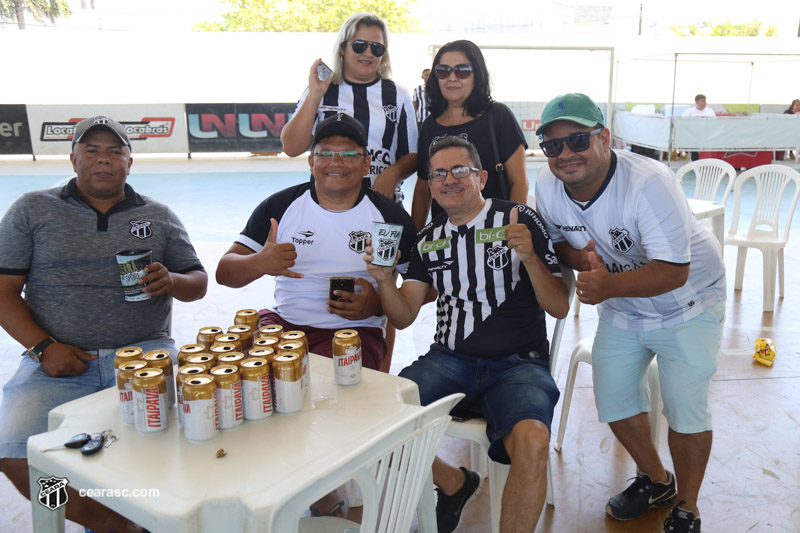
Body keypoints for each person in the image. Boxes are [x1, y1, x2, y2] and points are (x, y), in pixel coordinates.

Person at [0, 116, 208, 533]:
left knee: (182, 446)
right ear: (73, 157)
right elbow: (3, 291)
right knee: (18, 458)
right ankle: (112, 524)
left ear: (130, 162)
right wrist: (43, 348)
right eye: (92, 150)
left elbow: (198, 283)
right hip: (54, 360)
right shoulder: (32, 208)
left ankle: (148, 512)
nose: (103, 159)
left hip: (145, 354)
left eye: (115, 151)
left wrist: (173, 280)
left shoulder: (158, 215)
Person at [534, 93, 726, 533]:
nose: (566, 154)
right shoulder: (547, 184)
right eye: (553, 146)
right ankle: (657, 480)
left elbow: (675, 271)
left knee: (684, 408)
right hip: (624, 308)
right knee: (615, 400)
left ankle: (687, 507)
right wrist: (583, 261)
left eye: (578, 140)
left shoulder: (648, 182)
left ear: (605, 137)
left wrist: (606, 284)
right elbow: (556, 241)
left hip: (688, 304)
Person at [365, 135, 569, 533]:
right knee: (377, 420)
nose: (449, 180)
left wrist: (529, 258)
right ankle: (454, 482)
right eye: (438, 173)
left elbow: (559, 306)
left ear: (479, 177)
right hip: (449, 360)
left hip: (518, 364)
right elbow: (404, 315)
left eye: (460, 170)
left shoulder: (518, 219)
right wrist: (385, 281)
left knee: (532, 439)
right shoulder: (428, 241)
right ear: (430, 184)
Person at [217, 112, 415, 372]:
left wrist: (378, 306)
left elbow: (423, 289)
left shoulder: (388, 217)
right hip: (283, 325)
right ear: (311, 162)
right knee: (241, 376)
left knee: (340, 390)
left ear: (367, 163)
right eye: (325, 153)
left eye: (349, 154)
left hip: (353, 332)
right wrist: (260, 262)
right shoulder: (281, 206)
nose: (336, 162)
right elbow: (224, 273)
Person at [280, 12, 418, 204]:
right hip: (326, 207)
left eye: (377, 48)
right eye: (359, 45)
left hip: (382, 207)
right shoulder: (321, 90)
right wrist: (314, 97)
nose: (368, 53)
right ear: (343, 48)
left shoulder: (399, 95)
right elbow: (291, 148)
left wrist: (393, 173)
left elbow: (412, 155)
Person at [411, 39, 528, 231]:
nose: (452, 77)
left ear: (477, 75)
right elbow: (424, 188)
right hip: (446, 239)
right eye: (443, 71)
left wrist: (512, 231)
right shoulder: (429, 126)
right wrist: (415, 239)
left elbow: (519, 182)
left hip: (494, 234)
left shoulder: (498, 116)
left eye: (462, 71)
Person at [682, 94, 716, 161]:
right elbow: (683, 123)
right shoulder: (689, 112)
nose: (705, 103)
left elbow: (714, 123)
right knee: (693, 144)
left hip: (707, 136)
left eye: (705, 101)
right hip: (693, 136)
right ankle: (695, 161)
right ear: (697, 102)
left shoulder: (710, 111)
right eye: (703, 101)